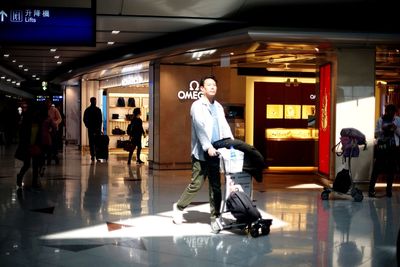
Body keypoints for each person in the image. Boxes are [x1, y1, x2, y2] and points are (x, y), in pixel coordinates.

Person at [172, 74, 234, 233]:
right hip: (202, 152)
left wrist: (231, 143)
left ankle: (215, 217)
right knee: (196, 184)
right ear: (202, 89)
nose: (213, 87)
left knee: (216, 187)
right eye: (209, 85)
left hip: (217, 152)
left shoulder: (218, 107)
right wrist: (207, 147)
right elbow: (200, 129)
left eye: (214, 84)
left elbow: (225, 127)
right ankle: (179, 208)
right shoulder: (196, 106)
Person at [368, 104, 400, 198]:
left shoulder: (398, 120)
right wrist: (382, 129)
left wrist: (395, 129)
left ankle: (389, 190)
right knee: (377, 168)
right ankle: (371, 189)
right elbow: (376, 134)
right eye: (388, 112)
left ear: (395, 113)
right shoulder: (380, 120)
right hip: (382, 147)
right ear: (386, 111)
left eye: (392, 113)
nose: (390, 114)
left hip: (394, 147)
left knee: (391, 169)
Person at [15, 102, 48, 189]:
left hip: (31, 144)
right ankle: (30, 180)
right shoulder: (34, 119)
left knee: (30, 164)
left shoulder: (30, 118)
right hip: (31, 144)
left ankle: (28, 180)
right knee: (31, 164)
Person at [83, 97, 103, 162]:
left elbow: (84, 119)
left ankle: (93, 156)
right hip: (96, 129)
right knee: (96, 143)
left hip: (91, 128)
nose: (95, 102)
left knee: (92, 142)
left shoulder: (88, 110)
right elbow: (100, 120)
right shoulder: (98, 110)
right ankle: (96, 156)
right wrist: (99, 129)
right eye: (94, 101)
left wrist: (87, 125)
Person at [46, 100, 62, 164]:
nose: (48, 104)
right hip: (47, 130)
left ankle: (55, 156)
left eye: (48, 103)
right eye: (47, 103)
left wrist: (55, 123)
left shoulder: (54, 110)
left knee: (54, 144)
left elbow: (59, 118)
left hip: (54, 130)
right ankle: (49, 157)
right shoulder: (45, 110)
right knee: (48, 144)